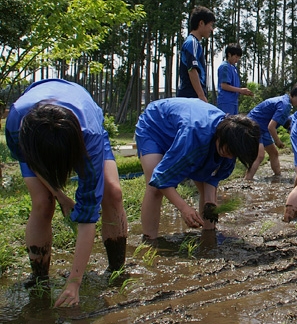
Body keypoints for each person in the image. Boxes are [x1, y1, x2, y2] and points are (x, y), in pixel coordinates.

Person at [4, 79, 128, 308]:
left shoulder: (87, 139)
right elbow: (30, 162)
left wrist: (74, 282)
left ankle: (117, 269)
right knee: (43, 202)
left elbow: (87, 216)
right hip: (33, 133)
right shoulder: (17, 125)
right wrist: (60, 195)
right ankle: (39, 278)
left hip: (84, 123)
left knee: (113, 193)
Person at [135, 98, 260, 241]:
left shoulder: (230, 141)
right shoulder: (195, 137)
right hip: (155, 125)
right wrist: (184, 208)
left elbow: (211, 177)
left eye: (234, 154)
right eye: (228, 150)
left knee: (210, 202)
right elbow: (160, 178)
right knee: (155, 189)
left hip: (183, 127)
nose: (230, 156)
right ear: (221, 136)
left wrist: (209, 203)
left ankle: (208, 235)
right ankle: (149, 241)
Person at [244, 84, 297, 181]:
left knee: (274, 153)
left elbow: (285, 122)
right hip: (253, 126)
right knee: (260, 155)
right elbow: (271, 127)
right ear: (295, 95)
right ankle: (247, 180)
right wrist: (277, 141)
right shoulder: (284, 105)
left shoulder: (286, 103)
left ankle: (278, 176)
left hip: (263, 128)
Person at [177, 5, 215, 102]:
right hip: (190, 97)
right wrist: (201, 96)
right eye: (210, 25)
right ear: (201, 23)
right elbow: (192, 69)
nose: (212, 29)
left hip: (193, 96)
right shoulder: (191, 42)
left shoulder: (196, 44)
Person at [216, 43, 254, 114]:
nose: (237, 59)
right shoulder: (225, 67)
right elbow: (224, 85)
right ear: (229, 54)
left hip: (233, 101)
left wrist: (243, 91)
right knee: (227, 123)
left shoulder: (233, 68)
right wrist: (240, 90)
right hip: (226, 101)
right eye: (236, 57)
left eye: (238, 57)